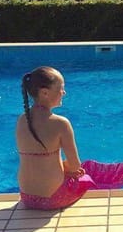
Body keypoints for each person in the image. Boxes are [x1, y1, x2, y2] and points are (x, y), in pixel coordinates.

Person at [16, 66, 95, 210]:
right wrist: (67, 168)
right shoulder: (61, 123)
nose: (64, 92)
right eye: (61, 88)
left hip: (26, 197)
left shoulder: (21, 120)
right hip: (52, 199)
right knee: (87, 176)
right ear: (45, 93)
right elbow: (75, 166)